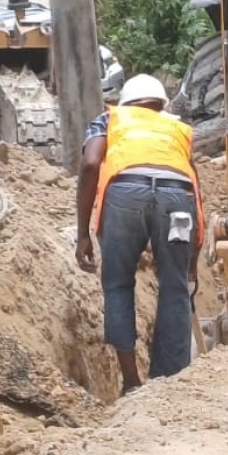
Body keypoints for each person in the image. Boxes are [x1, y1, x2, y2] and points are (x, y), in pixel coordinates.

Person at [74, 74, 203, 395]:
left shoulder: (110, 119)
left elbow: (91, 163)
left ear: (126, 101)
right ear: (162, 105)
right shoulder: (176, 129)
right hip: (178, 197)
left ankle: (131, 382)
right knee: (175, 287)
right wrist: (193, 257)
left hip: (125, 194)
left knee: (118, 284)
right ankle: (168, 385)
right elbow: (196, 190)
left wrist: (83, 234)